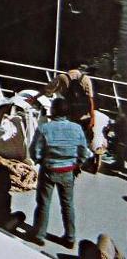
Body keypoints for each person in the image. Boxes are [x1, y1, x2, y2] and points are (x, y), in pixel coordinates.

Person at [27, 98, 92, 249]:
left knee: (44, 203)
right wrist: (77, 164)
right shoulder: (77, 128)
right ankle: (70, 237)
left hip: (49, 170)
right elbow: (83, 151)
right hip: (68, 171)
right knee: (68, 205)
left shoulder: (45, 128)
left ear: (53, 111)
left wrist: (40, 161)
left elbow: (34, 151)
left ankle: (39, 235)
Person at [29, 67, 95, 136]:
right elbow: (90, 99)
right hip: (84, 116)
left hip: (70, 115)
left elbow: (47, 89)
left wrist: (35, 97)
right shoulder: (86, 78)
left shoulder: (62, 77)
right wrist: (93, 118)